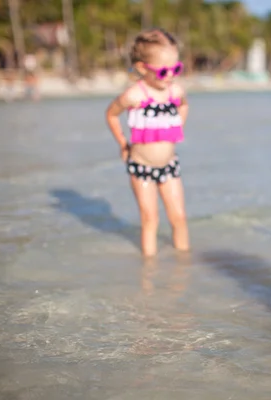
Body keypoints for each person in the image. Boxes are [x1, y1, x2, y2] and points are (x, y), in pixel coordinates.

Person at [106, 28, 190, 256]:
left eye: (177, 68)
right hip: (141, 167)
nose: (171, 75)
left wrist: (177, 126)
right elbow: (111, 114)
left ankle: (183, 266)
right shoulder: (134, 95)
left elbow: (183, 105)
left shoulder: (175, 91)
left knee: (179, 217)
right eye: (164, 71)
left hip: (169, 166)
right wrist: (122, 143)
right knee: (150, 219)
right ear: (143, 68)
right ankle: (149, 272)